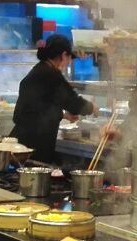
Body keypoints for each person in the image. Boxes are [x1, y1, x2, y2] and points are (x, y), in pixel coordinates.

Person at [11, 33, 94, 164]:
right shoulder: (51, 75)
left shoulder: (39, 69)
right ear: (63, 55)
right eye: (69, 58)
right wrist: (93, 108)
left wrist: (63, 115)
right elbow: (73, 103)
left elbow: (40, 107)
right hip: (35, 145)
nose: (69, 62)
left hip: (21, 142)